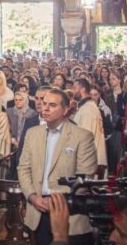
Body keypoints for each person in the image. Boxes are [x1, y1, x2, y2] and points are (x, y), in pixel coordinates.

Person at [18, 88, 97, 245]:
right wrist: (32, 196)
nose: (45, 108)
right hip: (38, 209)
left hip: (69, 213)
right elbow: (23, 168)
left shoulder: (82, 136)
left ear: (65, 109)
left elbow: (85, 178)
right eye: (44, 103)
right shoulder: (32, 133)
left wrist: (57, 201)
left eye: (52, 105)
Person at [72, 78, 108, 177]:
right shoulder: (89, 107)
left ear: (82, 90)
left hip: (87, 163)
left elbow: (85, 139)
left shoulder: (88, 110)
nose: (73, 91)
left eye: (75, 88)